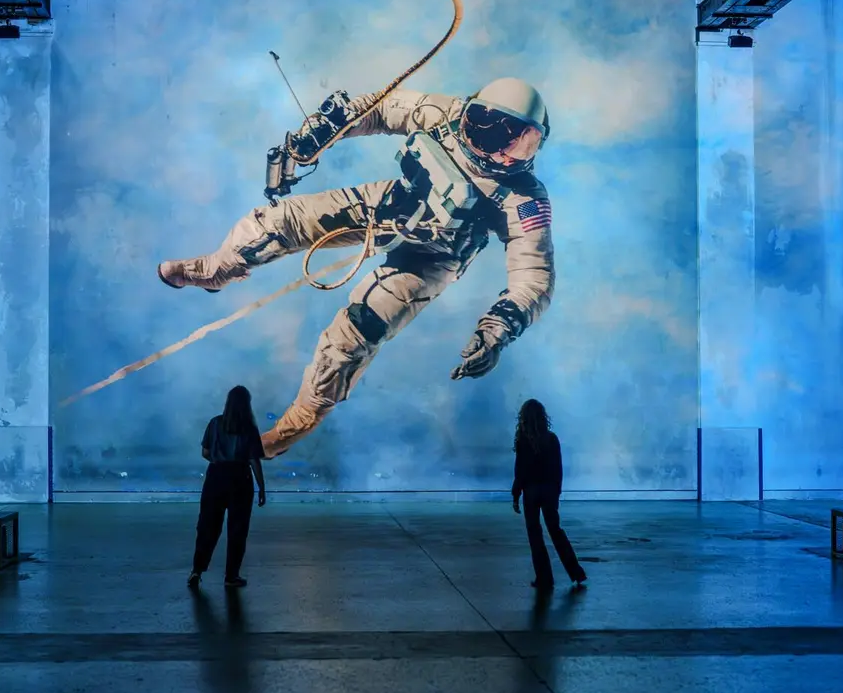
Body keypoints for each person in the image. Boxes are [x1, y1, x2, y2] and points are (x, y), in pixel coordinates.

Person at [158, 78, 556, 458]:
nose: (504, 154)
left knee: (351, 338)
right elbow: (379, 110)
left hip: (433, 257)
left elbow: (533, 276)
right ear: (474, 119)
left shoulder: (523, 198)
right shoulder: (443, 114)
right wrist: (328, 127)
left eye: (524, 143)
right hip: (391, 205)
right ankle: (217, 269)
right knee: (280, 222)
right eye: (494, 137)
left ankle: (289, 429)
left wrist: (497, 331)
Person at [189, 385, 267, 590]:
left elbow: (205, 452)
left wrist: (218, 458)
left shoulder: (215, 423)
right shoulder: (249, 427)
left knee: (207, 525)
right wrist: (262, 488)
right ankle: (231, 576)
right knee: (237, 529)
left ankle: (197, 570)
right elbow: (254, 461)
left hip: (216, 476)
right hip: (240, 478)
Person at [511, 399, 586, 590]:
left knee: (535, 535)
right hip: (549, 491)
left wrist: (516, 494)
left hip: (531, 492)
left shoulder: (523, 440)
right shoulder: (551, 439)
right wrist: (556, 492)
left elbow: (520, 471)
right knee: (556, 531)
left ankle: (544, 578)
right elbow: (557, 469)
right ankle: (576, 572)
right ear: (543, 417)